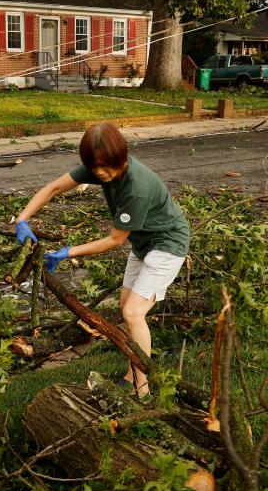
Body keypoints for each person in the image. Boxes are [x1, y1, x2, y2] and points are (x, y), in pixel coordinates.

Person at [15, 123, 190, 398]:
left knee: (134, 313)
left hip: (167, 244)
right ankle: (131, 373)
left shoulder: (136, 187)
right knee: (125, 308)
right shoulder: (101, 165)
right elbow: (53, 188)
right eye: (94, 168)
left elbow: (114, 240)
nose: (100, 174)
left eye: (106, 168)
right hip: (144, 243)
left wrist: (67, 252)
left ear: (121, 156)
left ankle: (141, 388)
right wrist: (22, 220)